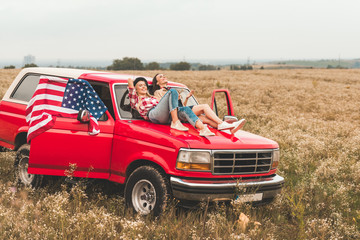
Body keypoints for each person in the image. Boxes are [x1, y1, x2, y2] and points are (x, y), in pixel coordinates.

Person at [151, 73, 246, 134]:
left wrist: (187, 98)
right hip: (174, 116)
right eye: (160, 77)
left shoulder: (173, 90)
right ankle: (222, 123)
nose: (163, 77)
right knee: (204, 107)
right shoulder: (158, 92)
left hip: (182, 112)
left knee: (206, 119)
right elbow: (163, 108)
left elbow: (182, 107)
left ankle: (229, 128)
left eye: (164, 76)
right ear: (157, 82)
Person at [127, 77, 215, 136]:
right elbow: (130, 81)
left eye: (145, 85)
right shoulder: (136, 99)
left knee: (185, 109)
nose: (143, 87)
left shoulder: (153, 97)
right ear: (136, 88)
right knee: (172, 91)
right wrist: (137, 80)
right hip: (153, 114)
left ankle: (203, 129)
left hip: (166, 115)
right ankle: (175, 122)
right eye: (140, 85)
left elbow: (165, 106)